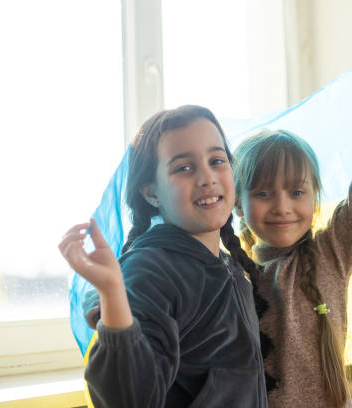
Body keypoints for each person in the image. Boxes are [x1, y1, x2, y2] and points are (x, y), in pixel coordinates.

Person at [232, 20, 352, 407]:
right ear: (238, 204)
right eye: (262, 192)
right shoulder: (232, 277)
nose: (282, 206)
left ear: (314, 198)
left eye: (296, 191)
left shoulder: (332, 253)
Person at [58, 105, 268, 407]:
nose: (207, 177)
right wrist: (112, 293)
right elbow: (128, 399)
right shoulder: (149, 270)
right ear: (151, 193)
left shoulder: (231, 269)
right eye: (184, 167)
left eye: (217, 160)